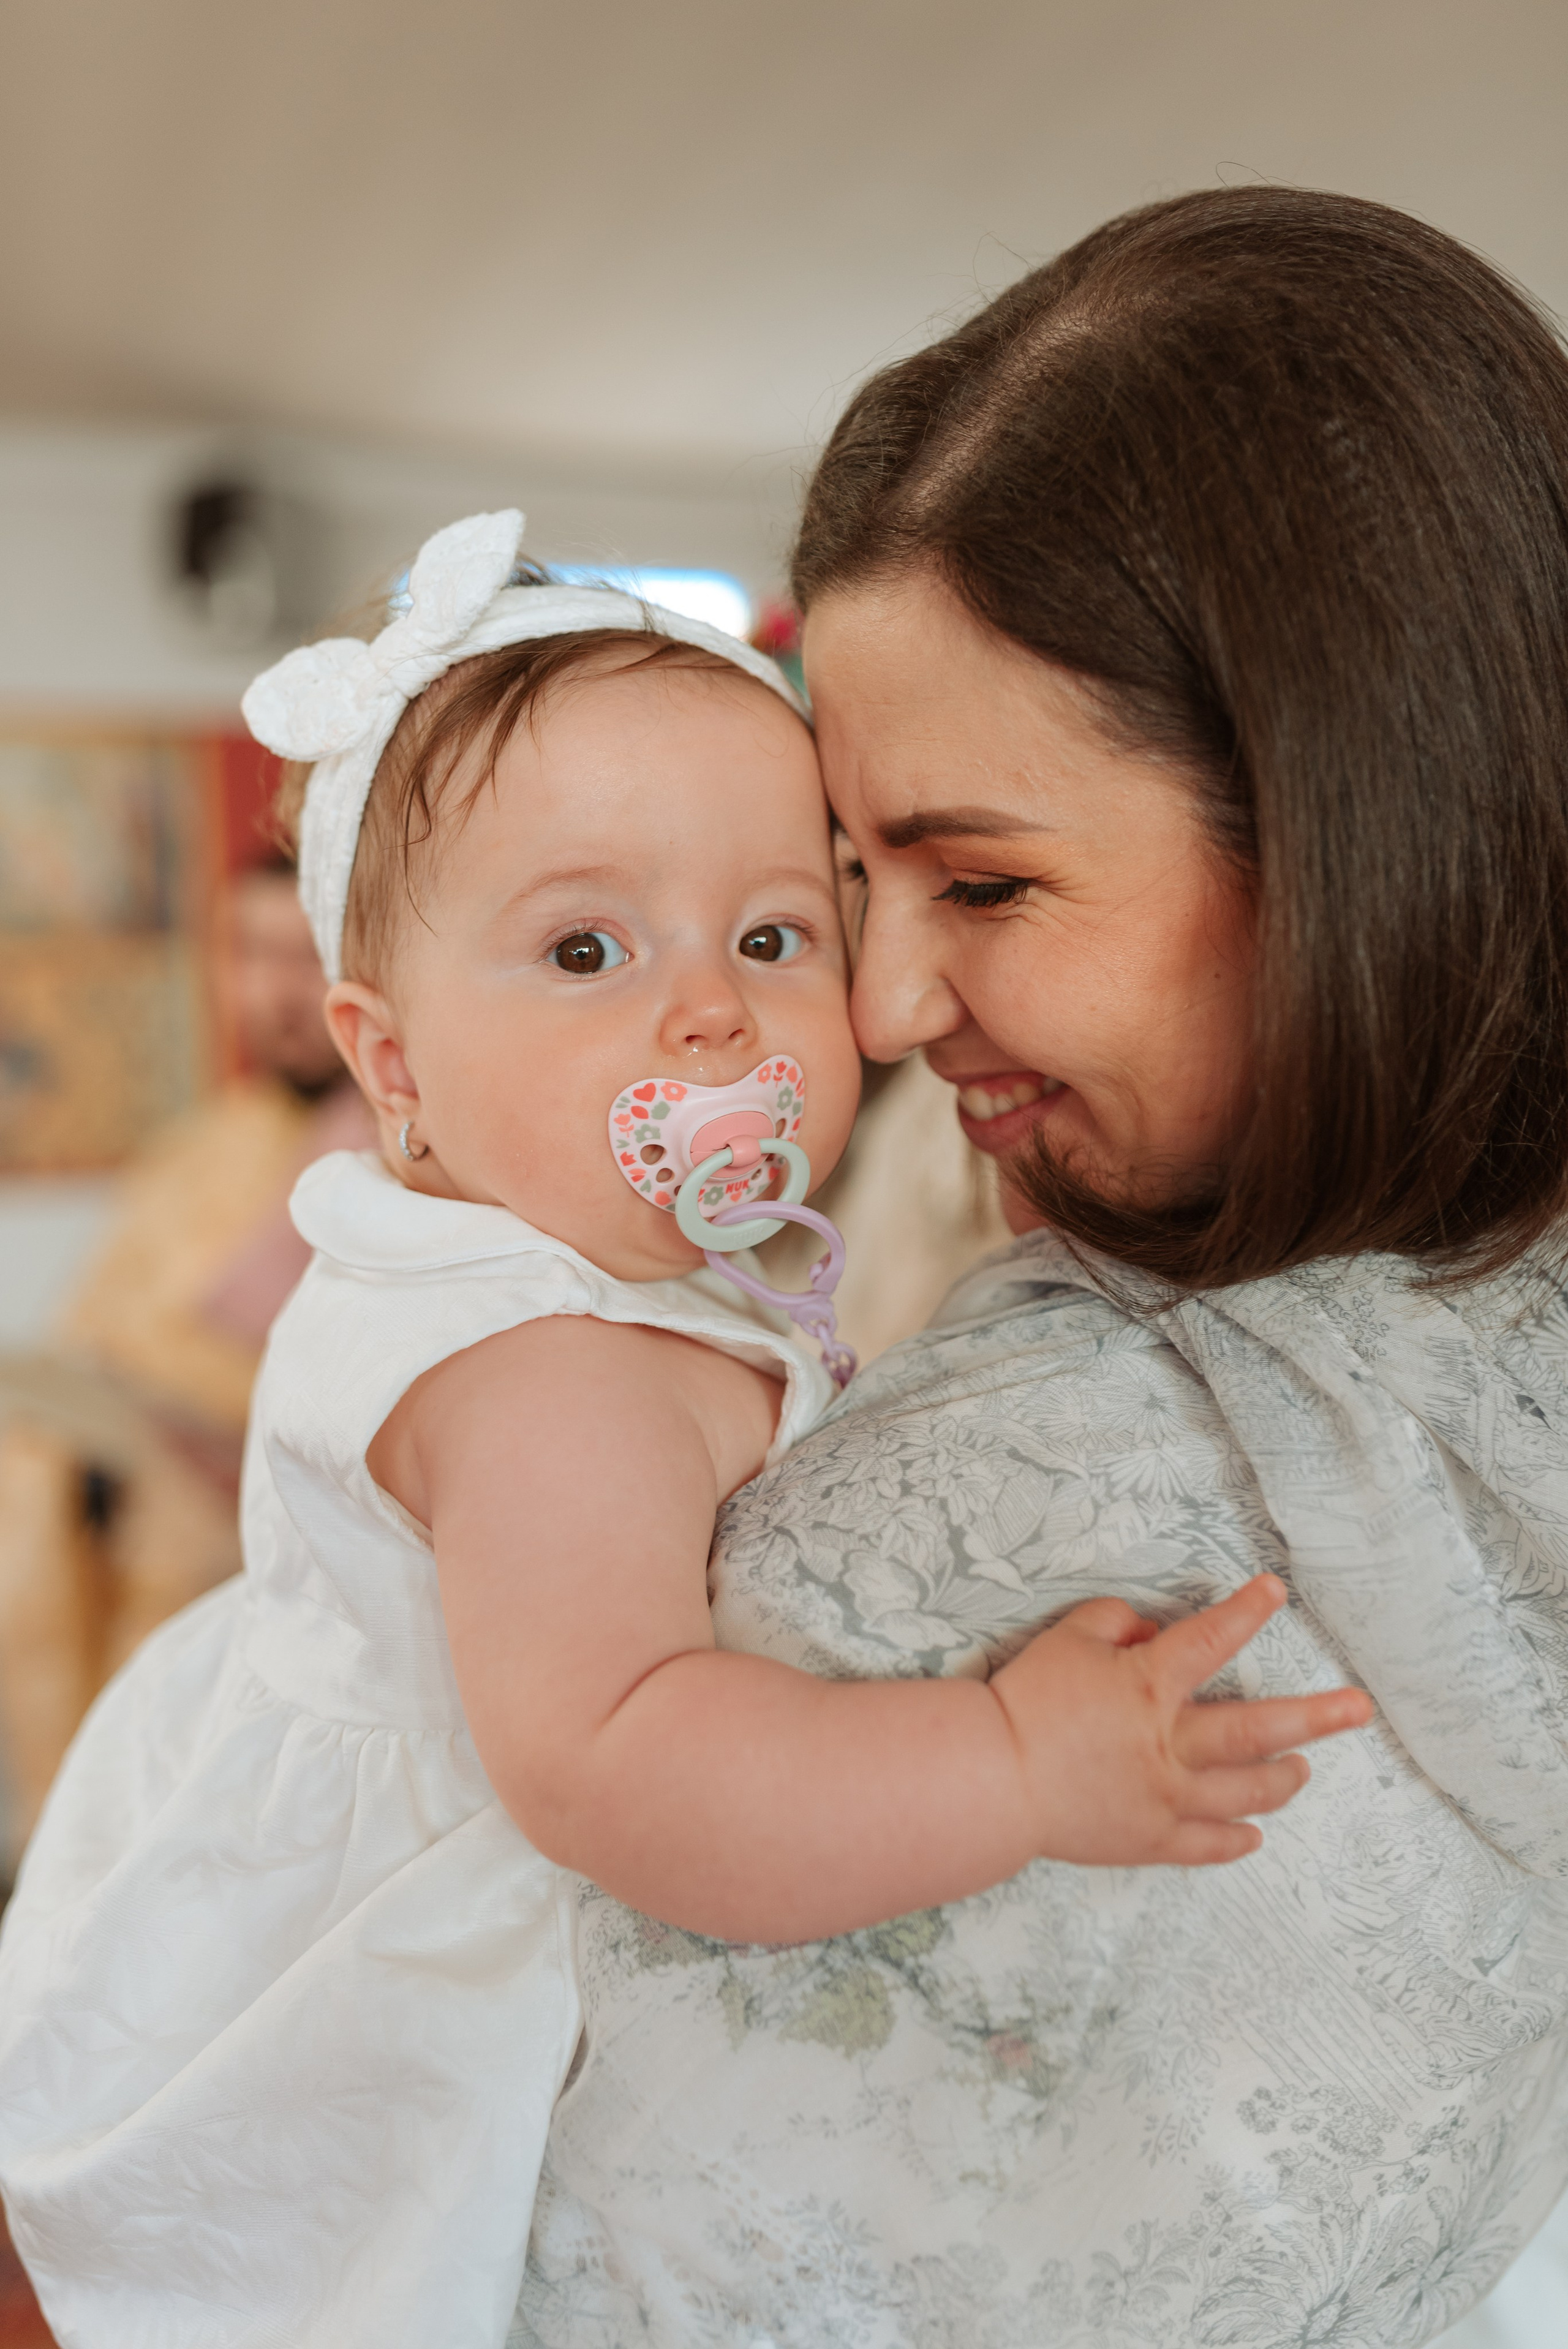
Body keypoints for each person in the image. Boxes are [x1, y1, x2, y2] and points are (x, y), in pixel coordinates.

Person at [0, 514, 1358, 2348]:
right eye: (584, 948)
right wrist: (1013, 1767)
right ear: (392, 1069)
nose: (710, 1006)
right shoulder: (538, 1367)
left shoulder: (629, 1282)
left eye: (775, 930)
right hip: (407, 1992)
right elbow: (631, 1764)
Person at [511, 190, 1568, 2349]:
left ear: (1368, 830)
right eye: (849, 882)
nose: (886, 1005)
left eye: (981, 880)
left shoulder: (988, 1512)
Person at [0, 849, 371, 1864]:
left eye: (304, 955)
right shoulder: (205, 1145)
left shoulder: (400, 1158)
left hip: (283, 1633)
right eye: (250, 953)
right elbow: (98, 1342)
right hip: (123, 1593)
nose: (274, 992)